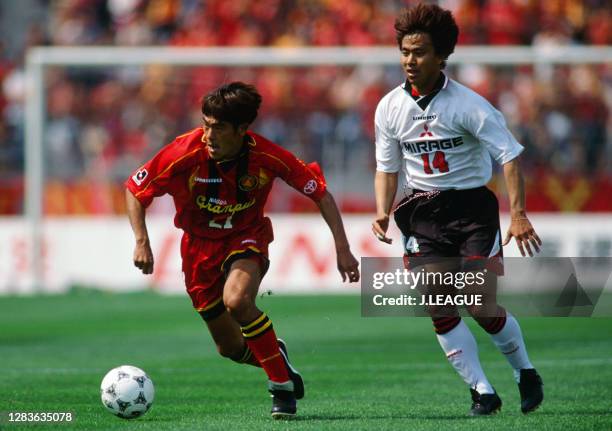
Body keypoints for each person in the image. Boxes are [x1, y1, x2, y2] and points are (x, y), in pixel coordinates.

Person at [126, 82, 360, 419]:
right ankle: (277, 359)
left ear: (241, 130)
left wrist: (342, 248)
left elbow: (319, 193)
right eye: (205, 124)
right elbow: (135, 189)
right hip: (197, 249)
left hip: (246, 237)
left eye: (218, 128)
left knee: (238, 301)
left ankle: (281, 388)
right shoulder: (183, 152)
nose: (208, 135)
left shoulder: (267, 155)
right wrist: (141, 240)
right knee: (231, 349)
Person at [371, 4, 543, 416]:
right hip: (423, 212)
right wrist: (381, 210)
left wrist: (518, 214)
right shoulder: (389, 107)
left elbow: (510, 156)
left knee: (480, 305)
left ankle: (525, 372)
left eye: (421, 52)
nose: (410, 60)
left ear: (442, 56)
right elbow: (386, 166)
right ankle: (483, 391)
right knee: (436, 297)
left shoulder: (470, 105)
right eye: (405, 51)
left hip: (472, 210)